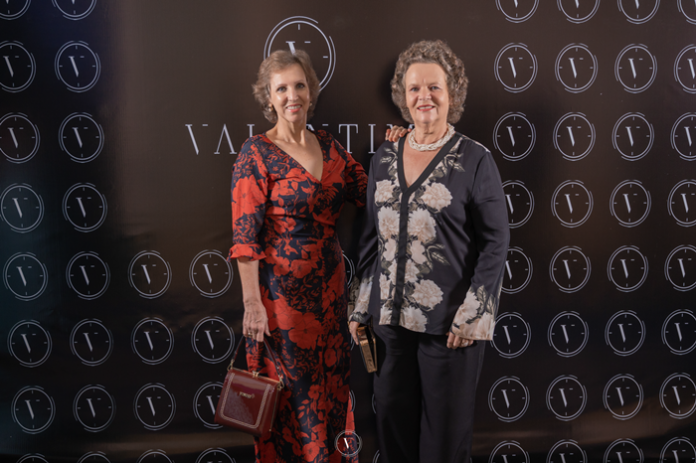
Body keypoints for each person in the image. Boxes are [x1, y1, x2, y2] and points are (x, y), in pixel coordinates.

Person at [348, 40, 510, 463]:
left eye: (434, 87)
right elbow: (371, 241)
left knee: (444, 446)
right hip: (389, 328)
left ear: (452, 92)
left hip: (450, 330)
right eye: (415, 88)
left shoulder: (475, 160)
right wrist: (360, 308)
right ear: (403, 96)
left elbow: (496, 242)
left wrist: (473, 317)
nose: (425, 97)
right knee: (393, 438)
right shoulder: (383, 158)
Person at [229, 49, 368, 462]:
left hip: (332, 298)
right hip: (283, 303)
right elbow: (245, 239)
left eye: (299, 85)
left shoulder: (329, 146)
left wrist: (399, 148)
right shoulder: (256, 153)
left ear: (311, 91)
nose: (292, 96)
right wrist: (252, 304)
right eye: (282, 89)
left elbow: (370, 191)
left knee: (332, 391)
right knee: (294, 398)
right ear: (268, 97)